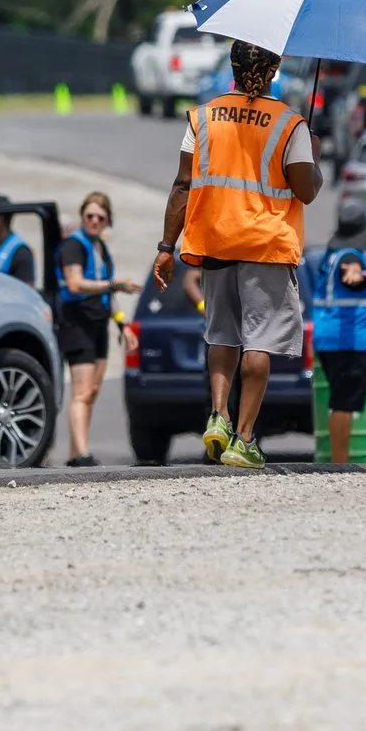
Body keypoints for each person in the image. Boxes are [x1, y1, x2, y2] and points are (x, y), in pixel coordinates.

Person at [151, 39, 323, 470]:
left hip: (215, 239)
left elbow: (181, 185)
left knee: (222, 333)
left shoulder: (203, 117)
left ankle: (218, 414)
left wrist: (165, 247)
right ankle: (244, 438)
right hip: (265, 244)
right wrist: (313, 157)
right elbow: (307, 190)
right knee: (259, 341)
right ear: (273, 71)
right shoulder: (289, 125)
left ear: (231, 67)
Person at [57, 190, 142, 467]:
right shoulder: (73, 245)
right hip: (76, 322)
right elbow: (75, 283)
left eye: (100, 217)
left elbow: (109, 294)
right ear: (83, 216)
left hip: (98, 323)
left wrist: (122, 324)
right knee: (81, 391)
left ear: (107, 221)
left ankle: (75, 451)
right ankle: (81, 453)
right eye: (90, 215)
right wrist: (115, 284)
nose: (94, 221)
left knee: (92, 390)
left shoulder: (101, 249)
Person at [309, 206, 366, 465]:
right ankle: (340, 462)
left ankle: (339, 459)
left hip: (331, 341)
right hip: (350, 343)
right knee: (343, 403)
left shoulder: (331, 256)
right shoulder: (350, 258)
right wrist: (358, 275)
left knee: (341, 401)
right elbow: (352, 276)